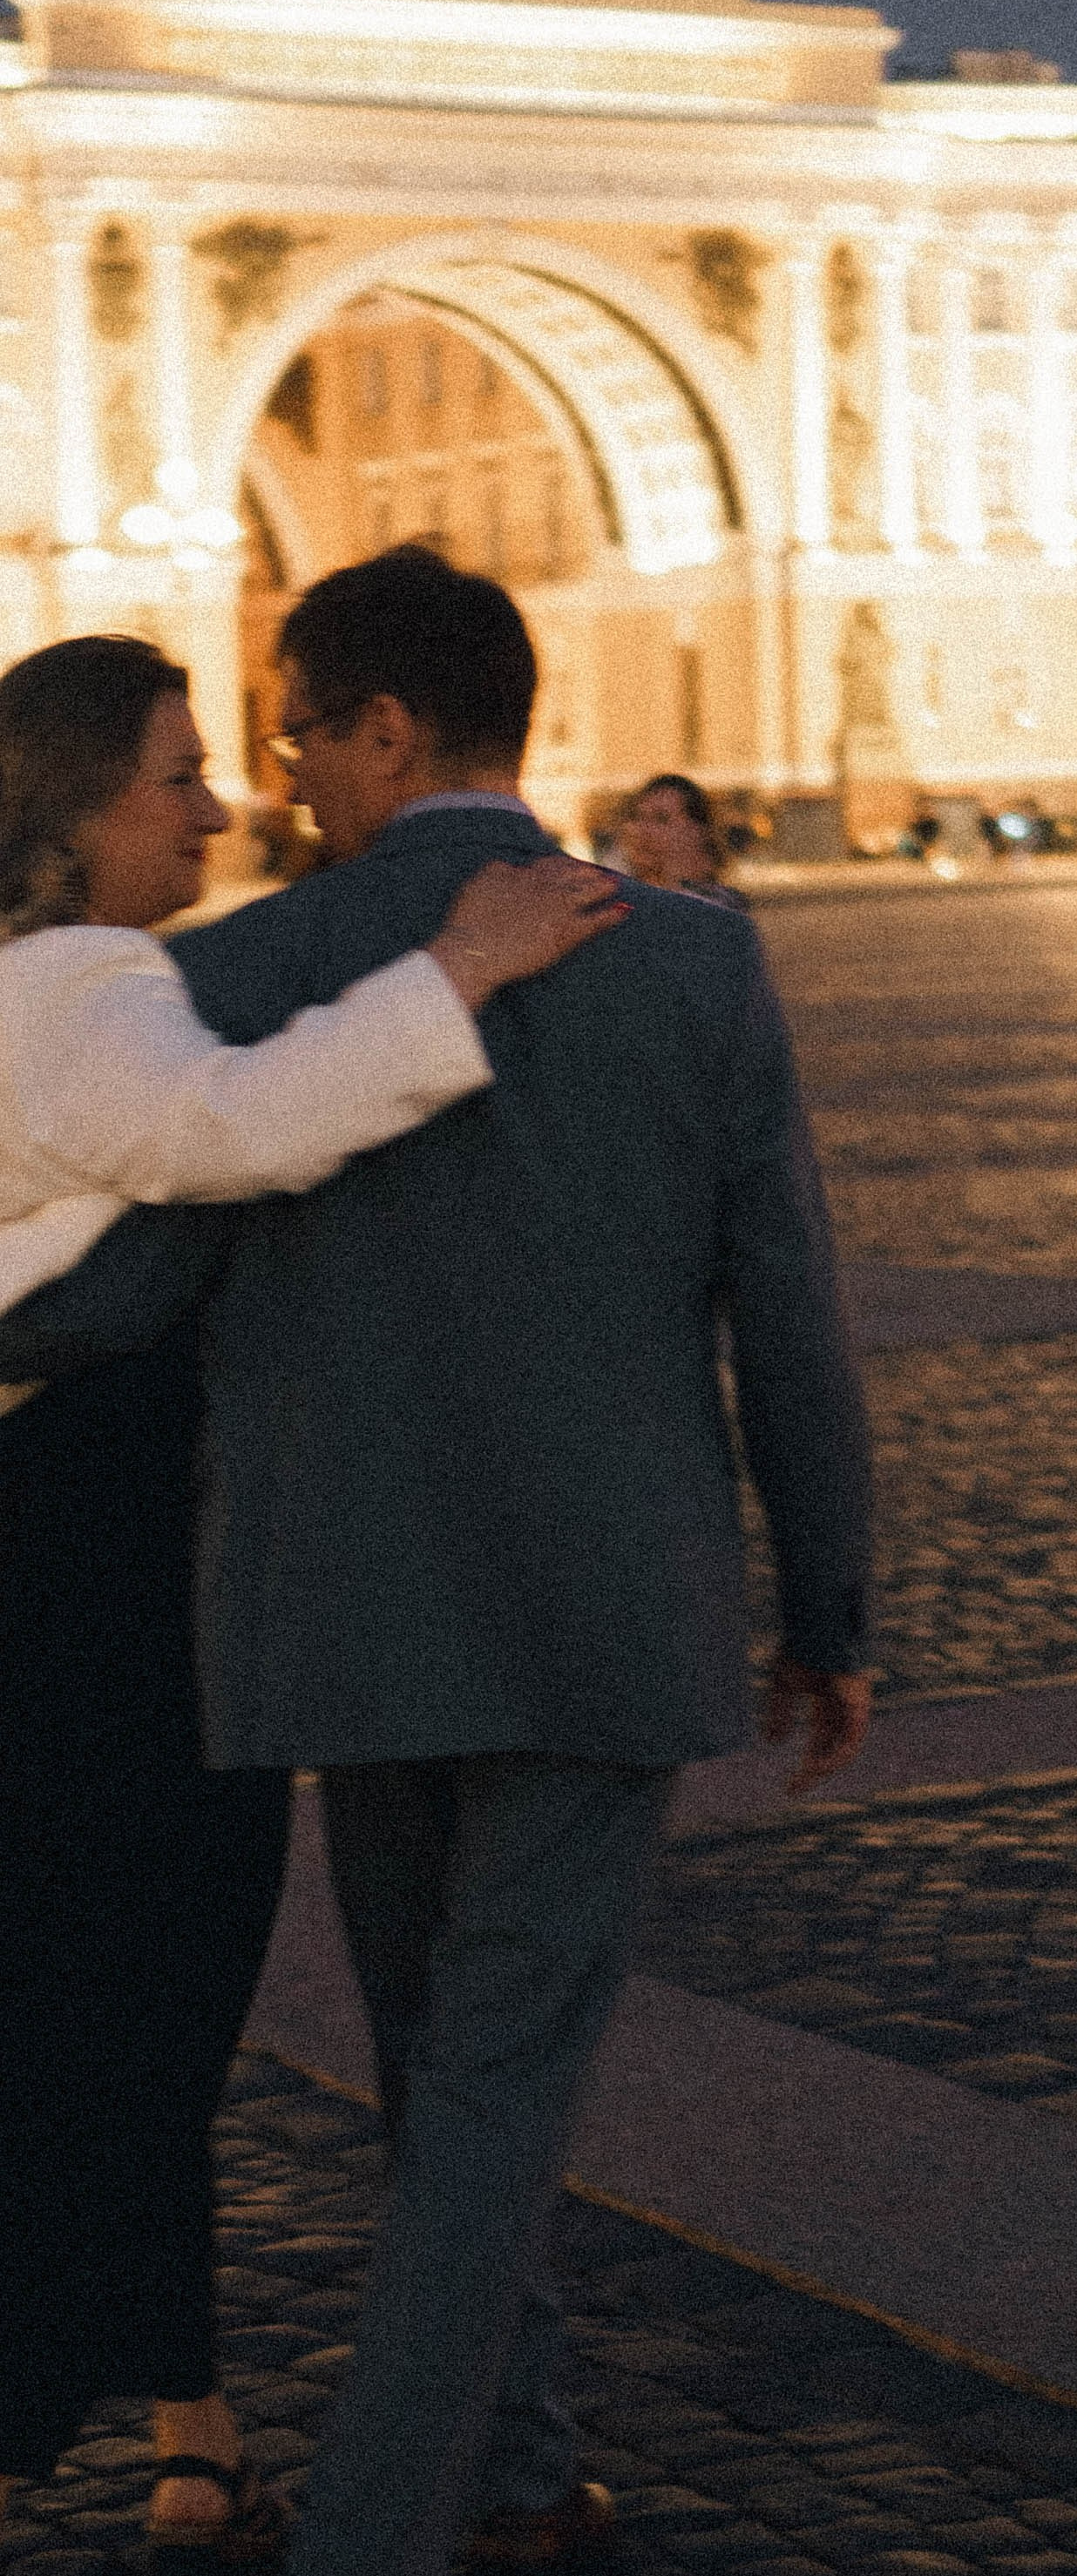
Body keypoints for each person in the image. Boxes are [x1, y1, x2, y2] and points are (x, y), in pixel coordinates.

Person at [0, 547, 874, 2576]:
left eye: (294, 730)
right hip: (597, 1610)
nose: (273, 778)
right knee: (487, 2085)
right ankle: (386, 2532)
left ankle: (526, 2466)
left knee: (442, 2068)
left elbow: (120, 1294)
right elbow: (791, 1319)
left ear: (387, 728)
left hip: (334, 1617)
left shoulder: (235, 970)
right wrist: (827, 1607)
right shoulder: (694, 958)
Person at [0, 633, 620, 2557]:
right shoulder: (86, 981)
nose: (216, 804)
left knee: (112, 1997)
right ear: (74, 808)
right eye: (176, 775)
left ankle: (184, 2421)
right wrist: (460, 966)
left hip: (68, 1557)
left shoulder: (58, 979)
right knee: (117, 2002)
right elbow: (243, 1124)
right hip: (88, 1582)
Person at [619, 770, 748, 906]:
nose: (642, 830)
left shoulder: (719, 907)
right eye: (636, 816)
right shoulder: (616, 904)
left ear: (699, 832)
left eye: (661, 819)